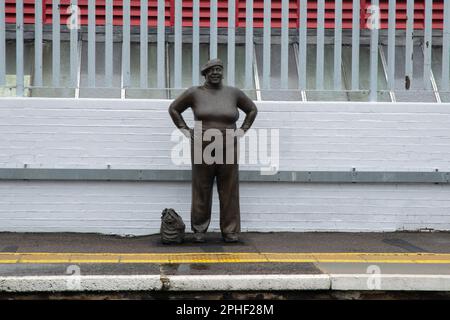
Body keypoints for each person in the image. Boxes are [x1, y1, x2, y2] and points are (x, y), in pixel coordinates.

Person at [168, 58, 258, 243]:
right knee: (202, 187)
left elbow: (252, 110)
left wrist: (241, 131)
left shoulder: (233, 93)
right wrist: (186, 131)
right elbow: (174, 109)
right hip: (202, 145)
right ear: (205, 74)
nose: (215, 72)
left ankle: (230, 231)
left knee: (229, 189)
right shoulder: (194, 93)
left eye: (218, 69)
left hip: (228, 146)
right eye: (211, 70)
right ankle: (199, 230)